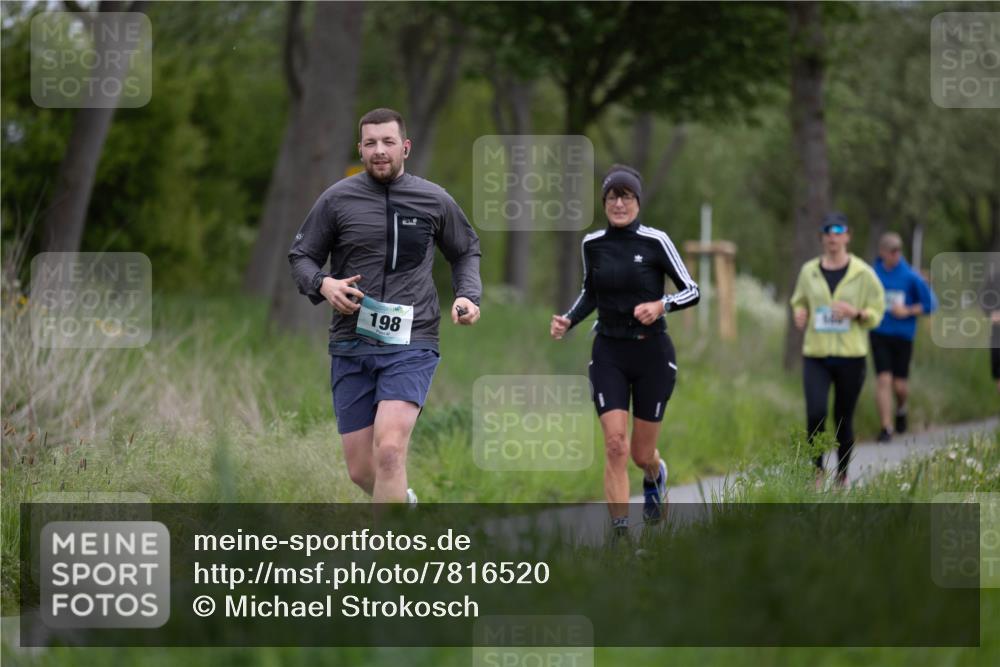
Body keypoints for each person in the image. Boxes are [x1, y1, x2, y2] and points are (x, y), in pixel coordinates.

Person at [289, 108, 482, 504]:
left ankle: (390, 545)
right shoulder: (337, 199)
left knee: (391, 450)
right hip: (351, 342)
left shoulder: (434, 199)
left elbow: (465, 251)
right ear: (360, 149)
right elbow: (302, 256)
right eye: (371, 143)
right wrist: (324, 284)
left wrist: (467, 295)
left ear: (405, 147)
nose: (379, 150)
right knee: (362, 471)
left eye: (388, 142)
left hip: (413, 340)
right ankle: (403, 505)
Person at [550, 165, 699, 537]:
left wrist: (662, 305)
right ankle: (620, 535)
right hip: (609, 352)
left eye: (626, 196)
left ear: (638, 202)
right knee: (615, 444)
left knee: (640, 454)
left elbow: (692, 290)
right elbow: (590, 292)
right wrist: (568, 320)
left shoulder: (656, 241)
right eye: (612, 197)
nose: (619, 204)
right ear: (604, 203)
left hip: (652, 354)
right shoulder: (592, 244)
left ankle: (654, 475)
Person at [790, 213, 885, 488]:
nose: (832, 236)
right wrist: (800, 313)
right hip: (816, 355)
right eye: (827, 231)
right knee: (815, 413)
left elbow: (878, 310)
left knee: (843, 418)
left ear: (848, 236)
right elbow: (798, 301)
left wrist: (857, 313)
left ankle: (841, 474)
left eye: (838, 231)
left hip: (851, 357)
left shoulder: (863, 273)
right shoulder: (809, 271)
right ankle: (816, 472)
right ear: (822, 238)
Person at [869, 232, 936, 442]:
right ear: (882, 252)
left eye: (898, 251)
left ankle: (901, 408)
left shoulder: (911, 276)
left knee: (899, 386)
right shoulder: (872, 274)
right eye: (891, 251)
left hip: (903, 336)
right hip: (879, 333)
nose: (895, 255)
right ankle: (886, 428)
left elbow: (930, 305)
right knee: (883, 379)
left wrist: (907, 310)